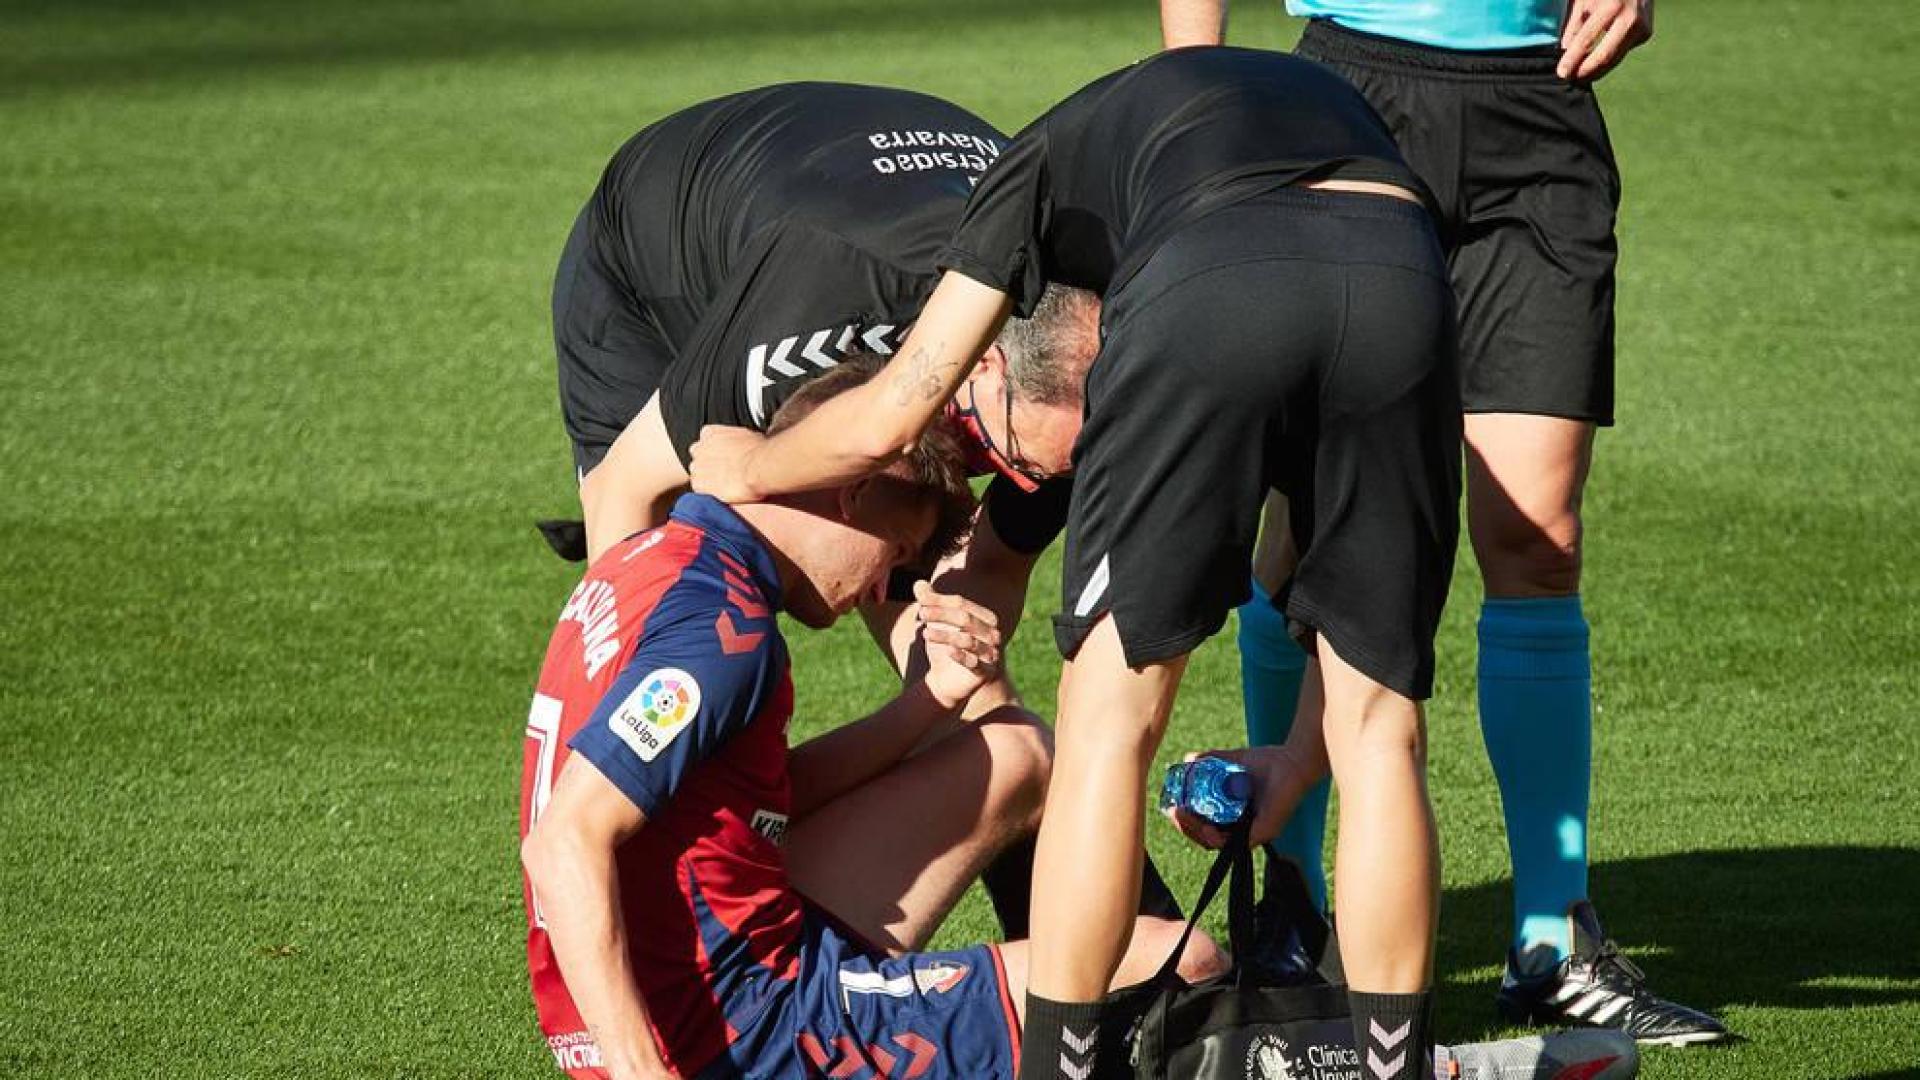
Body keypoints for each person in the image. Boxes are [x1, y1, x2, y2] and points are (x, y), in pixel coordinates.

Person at [690, 47, 1466, 1080]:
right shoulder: (1273, 121)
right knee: (1382, 727)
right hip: (1404, 270)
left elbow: (901, 402)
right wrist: (1288, 758)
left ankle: (1064, 1064)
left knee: (1111, 715)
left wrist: (749, 461)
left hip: (1207, 276)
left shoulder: (1030, 168)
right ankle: (1394, 1067)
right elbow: (1304, 529)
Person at [1159, 0, 1730, 1045]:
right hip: (1344, 107)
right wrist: (1198, 94)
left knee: (1538, 534)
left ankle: (1554, 943)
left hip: (1541, 106)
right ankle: (1292, 907)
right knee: (1305, 522)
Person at [549, 83, 1184, 936]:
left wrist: (964, 699)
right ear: (981, 372)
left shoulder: (1086, 386)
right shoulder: (814, 312)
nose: (1016, 482)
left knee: (962, 669)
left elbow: (984, 576)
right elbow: (631, 493)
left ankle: (1082, 929)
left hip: (901, 274)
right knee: (693, 583)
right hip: (660, 265)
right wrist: (612, 794)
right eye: (1009, 461)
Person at [518, 366, 1227, 1080]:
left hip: (676, 977)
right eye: (894, 555)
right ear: (854, 496)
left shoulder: (655, 561)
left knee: (1014, 753)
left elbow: (751, 797)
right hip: (744, 1032)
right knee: (1179, 961)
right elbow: (563, 842)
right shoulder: (723, 633)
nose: (883, 589)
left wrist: (929, 703)